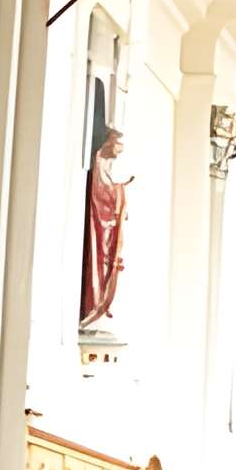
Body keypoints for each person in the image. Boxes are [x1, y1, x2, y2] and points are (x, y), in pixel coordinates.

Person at [79, 126, 132, 326]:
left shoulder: (104, 162)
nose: (117, 155)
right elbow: (101, 193)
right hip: (98, 219)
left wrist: (118, 194)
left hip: (104, 222)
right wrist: (117, 196)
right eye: (116, 147)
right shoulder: (99, 160)